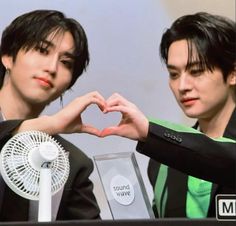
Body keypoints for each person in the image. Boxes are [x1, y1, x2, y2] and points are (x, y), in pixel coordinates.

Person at [100, 12, 236, 218]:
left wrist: (150, 131)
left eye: (196, 71)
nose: (182, 86)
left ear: (233, 73)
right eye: (174, 74)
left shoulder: (164, 147)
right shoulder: (163, 162)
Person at [0, 9, 104, 221]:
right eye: (42, 50)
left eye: (66, 63)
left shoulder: (72, 163)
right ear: (8, 57)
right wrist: (51, 124)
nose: (52, 68)